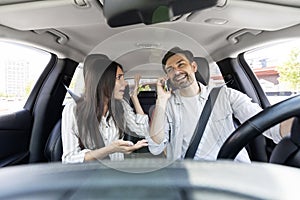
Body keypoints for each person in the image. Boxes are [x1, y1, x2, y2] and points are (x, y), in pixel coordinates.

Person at [148, 46, 293, 162]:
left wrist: (295, 125)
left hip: (233, 171)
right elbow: (155, 147)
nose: (177, 71)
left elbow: (267, 124)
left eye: (181, 65)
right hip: (193, 176)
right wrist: (161, 101)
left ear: (193, 67)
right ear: (168, 76)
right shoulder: (167, 105)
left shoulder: (225, 94)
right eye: (170, 70)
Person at [61, 54, 149, 163]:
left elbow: (142, 131)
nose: (125, 83)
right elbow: (69, 158)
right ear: (102, 81)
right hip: (91, 175)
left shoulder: (121, 105)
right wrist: (110, 149)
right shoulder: (73, 110)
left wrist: (134, 97)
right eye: (119, 77)